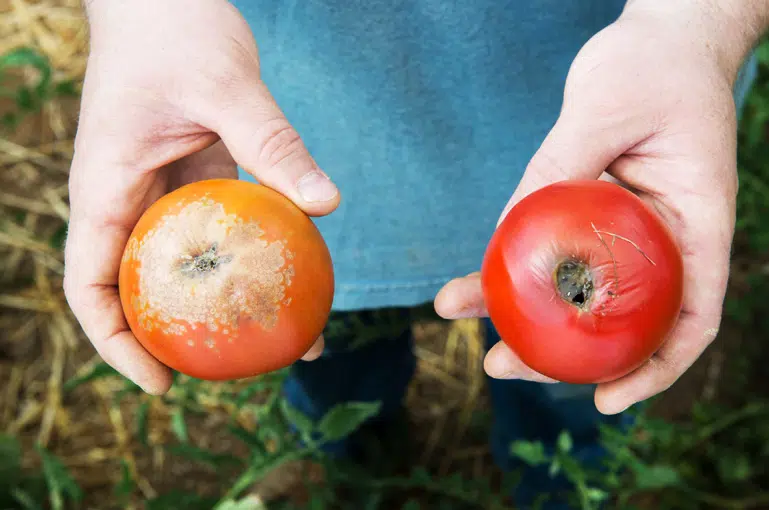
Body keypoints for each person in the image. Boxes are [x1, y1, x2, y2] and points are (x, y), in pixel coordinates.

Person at [63, 0, 765, 507]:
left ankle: (560, 482)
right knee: (337, 366)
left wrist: (699, 21)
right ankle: (359, 463)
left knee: (569, 392)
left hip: (610, 123)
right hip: (277, 190)